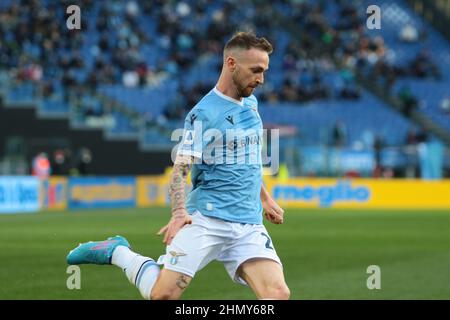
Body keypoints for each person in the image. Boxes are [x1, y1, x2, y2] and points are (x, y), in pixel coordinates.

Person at [66, 32, 290, 300]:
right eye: (256, 70)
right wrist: (178, 212)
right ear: (231, 63)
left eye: (264, 71)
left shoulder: (251, 102)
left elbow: (248, 157)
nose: (261, 79)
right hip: (207, 218)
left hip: (248, 223)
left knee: (276, 294)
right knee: (163, 296)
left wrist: (264, 198)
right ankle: (117, 252)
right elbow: (181, 167)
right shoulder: (203, 114)